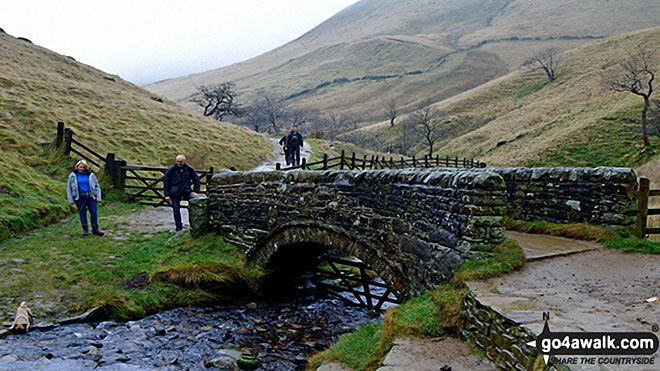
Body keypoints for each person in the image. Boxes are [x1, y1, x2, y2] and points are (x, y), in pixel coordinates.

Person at [67, 160, 104, 236]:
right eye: (80, 167)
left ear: (86, 167)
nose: (82, 168)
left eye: (84, 167)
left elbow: (97, 186)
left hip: (90, 197)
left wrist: (98, 197)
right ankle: (85, 229)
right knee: (82, 213)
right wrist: (71, 200)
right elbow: (69, 188)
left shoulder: (91, 175)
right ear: (77, 167)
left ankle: (95, 229)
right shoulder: (73, 176)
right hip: (80, 198)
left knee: (94, 213)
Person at [164, 155, 200, 231]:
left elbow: (196, 179)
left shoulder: (189, 169)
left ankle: (195, 226)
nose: (179, 163)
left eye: (180, 161)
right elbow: (166, 182)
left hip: (186, 192)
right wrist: (166, 194)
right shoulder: (171, 170)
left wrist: (196, 191)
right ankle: (178, 227)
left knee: (197, 203)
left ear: (184, 161)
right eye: (177, 161)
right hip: (175, 193)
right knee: (176, 211)